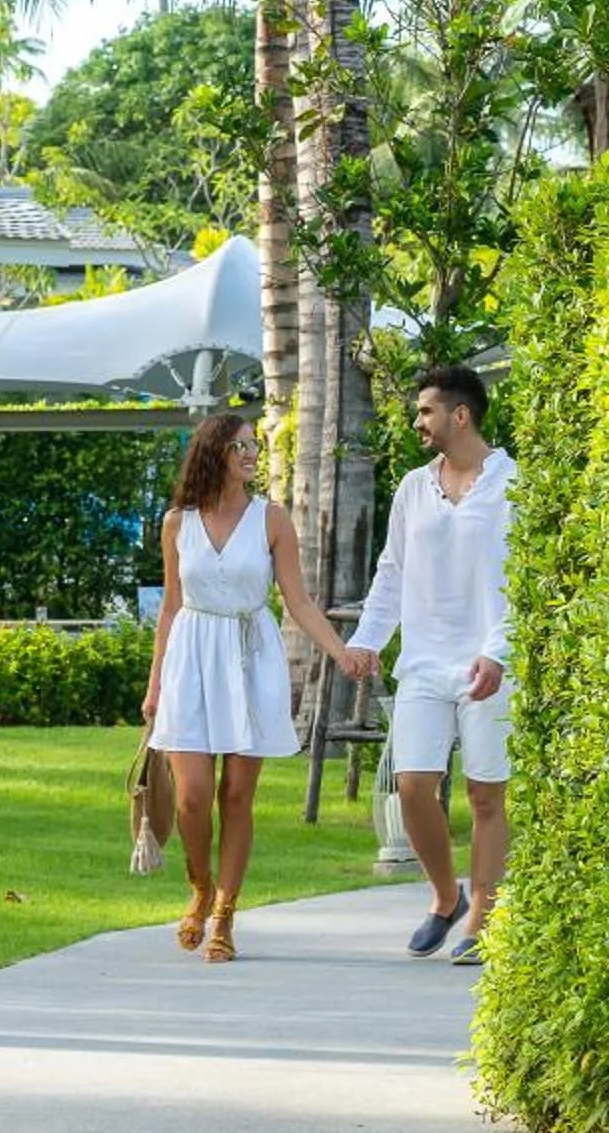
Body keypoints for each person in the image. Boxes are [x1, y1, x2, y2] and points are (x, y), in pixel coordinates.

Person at [141, 413, 375, 963]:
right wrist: (155, 685)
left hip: (250, 661)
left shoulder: (271, 519)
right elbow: (170, 608)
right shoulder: (177, 523)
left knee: (236, 797)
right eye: (239, 446)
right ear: (214, 452)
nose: (250, 454)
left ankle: (225, 913)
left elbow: (299, 601)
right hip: (191, 662)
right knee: (192, 798)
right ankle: (200, 886)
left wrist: (341, 651)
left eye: (253, 446)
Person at [347, 364, 515, 967]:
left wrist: (499, 652)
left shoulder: (512, 484)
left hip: (488, 663)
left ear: (459, 415)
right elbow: (391, 571)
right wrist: (368, 640)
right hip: (423, 662)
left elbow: (524, 580)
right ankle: (446, 896)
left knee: (486, 795)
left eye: (425, 411)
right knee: (413, 786)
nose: (417, 421)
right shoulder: (413, 488)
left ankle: (482, 918)